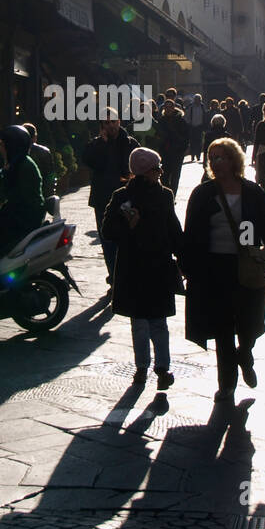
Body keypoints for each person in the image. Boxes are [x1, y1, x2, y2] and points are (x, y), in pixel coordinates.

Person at [182, 137, 265, 403]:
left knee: (251, 323)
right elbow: (191, 234)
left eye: (221, 157)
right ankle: (227, 384)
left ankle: (246, 352)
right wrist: (186, 267)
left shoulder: (252, 192)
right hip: (214, 268)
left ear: (234, 160)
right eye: (212, 158)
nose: (216, 163)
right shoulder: (204, 193)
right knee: (222, 329)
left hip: (247, 265)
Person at [102, 148, 184, 392]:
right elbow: (108, 231)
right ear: (146, 171)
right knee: (146, 321)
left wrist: (185, 258)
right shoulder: (122, 197)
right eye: (157, 167)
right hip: (139, 265)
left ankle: (157, 368)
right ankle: (148, 367)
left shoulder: (163, 195)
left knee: (151, 320)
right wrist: (128, 225)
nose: (160, 171)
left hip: (150, 265)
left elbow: (173, 229)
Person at [0, 125, 46, 289]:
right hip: (22, 215)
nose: (0, 148)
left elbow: (18, 200)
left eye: (3, 144)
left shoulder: (22, 166)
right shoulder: (18, 163)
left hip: (24, 218)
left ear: (12, 146)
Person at [81, 108, 140, 289]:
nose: (110, 126)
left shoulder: (130, 143)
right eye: (106, 123)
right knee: (107, 240)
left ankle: (125, 277)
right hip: (103, 199)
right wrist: (102, 145)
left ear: (119, 122)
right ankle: (113, 279)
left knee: (127, 239)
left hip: (126, 199)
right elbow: (89, 161)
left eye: (113, 121)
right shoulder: (96, 145)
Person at [157, 100, 190, 196]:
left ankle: (172, 196)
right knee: (164, 176)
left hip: (177, 152)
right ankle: (166, 195)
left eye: (170, 107)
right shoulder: (161, 121)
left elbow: (186, 136)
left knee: (175, 176)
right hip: (165, 152)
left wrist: (184, 148)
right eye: (166, 107)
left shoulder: (181, 120)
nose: (168, 109)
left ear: (173, 108)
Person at [22, 123, 56, 199]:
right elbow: (50, 174)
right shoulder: (44, 151)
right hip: (41, 193)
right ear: (35, 136)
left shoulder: (16, 151)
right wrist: (50, 194)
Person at [185, 94, 207, 161]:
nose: (198, 101)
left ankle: (198, 155)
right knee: (192, 142)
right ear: (194, 100)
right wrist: (189, 123)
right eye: (196, 99)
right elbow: (187, 116)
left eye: (199, 99)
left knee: (199, 142)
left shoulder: (202, 106)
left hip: (200, 127)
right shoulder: (190, 107)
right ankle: (192, 155)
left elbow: (204, 116)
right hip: (192, 126)